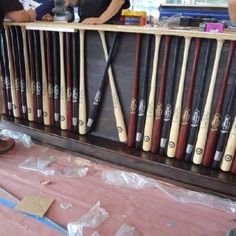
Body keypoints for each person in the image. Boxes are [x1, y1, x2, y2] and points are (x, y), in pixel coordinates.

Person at [65, 0, 130, 24]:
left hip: (108, 27)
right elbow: (76, 2)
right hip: (85, 25)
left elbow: (119, 1)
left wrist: (101, 19)